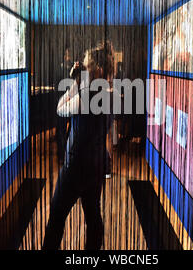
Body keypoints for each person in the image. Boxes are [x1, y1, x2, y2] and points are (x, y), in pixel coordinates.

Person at [43, 47, 113, 250]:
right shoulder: (112, 94)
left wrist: (75, 83)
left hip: (75, 168)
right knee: (93, 215)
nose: (84, 68)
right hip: (97, 165)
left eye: (87, 65)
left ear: (97, 70)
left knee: (57, 214)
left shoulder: (84, 98)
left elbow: (60, 108)